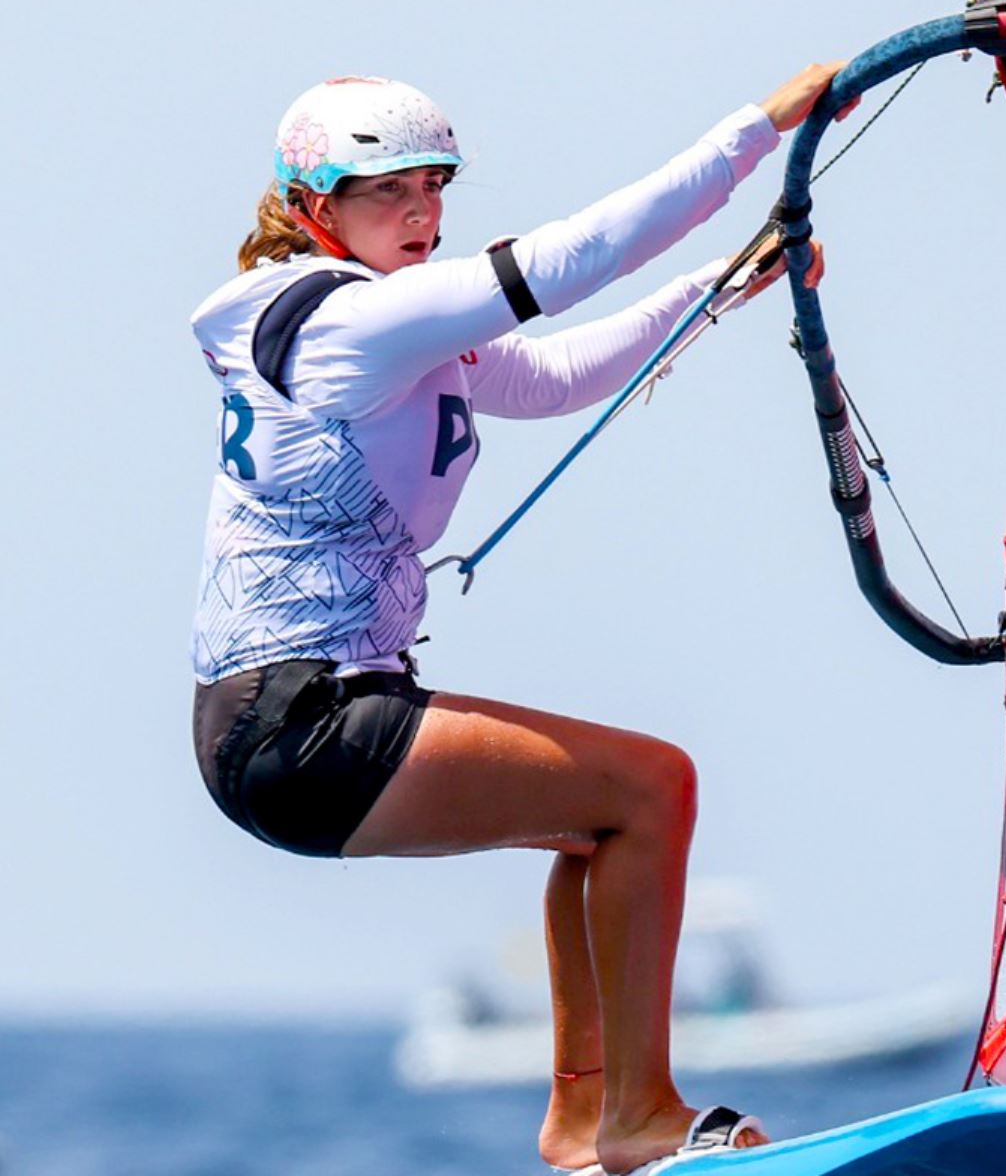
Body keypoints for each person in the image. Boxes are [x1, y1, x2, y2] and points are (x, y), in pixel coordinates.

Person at [189, 67, 850, 1174]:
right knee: (651, 786)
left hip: (304, 714)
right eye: (387, 193)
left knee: (602, 821)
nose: (422, 214)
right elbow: (565, 263)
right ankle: (639, 1113)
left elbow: (547, 378)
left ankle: (586, 1122)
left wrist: (721, 287)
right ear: (313, 209)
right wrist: (757, 131)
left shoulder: (386, 325)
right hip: (295, 723)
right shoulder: (346, 321)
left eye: (432, 187)